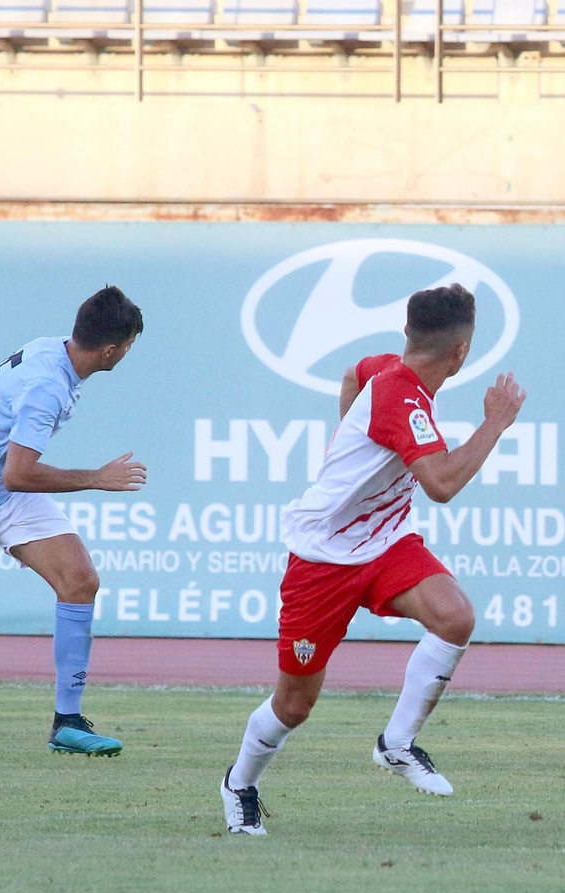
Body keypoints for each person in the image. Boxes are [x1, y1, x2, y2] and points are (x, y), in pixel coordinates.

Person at [220, 283, 526, 836]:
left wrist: (347, 432)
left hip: (385, 542)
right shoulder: (399, 397)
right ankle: (240, 783)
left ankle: (397, 744)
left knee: (454, 617)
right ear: (462, 353)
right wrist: (495, 423)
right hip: (322, 560)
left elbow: (351, 372)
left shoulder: (384, 369)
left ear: (407, 334)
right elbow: (441, 484)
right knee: (294, 706)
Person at [0, 285, 146, 756]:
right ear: (111, 349)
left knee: (80, 581)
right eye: (129, 345)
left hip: (4, 496)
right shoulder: (48, 386)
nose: (127, 353)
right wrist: (96, 478)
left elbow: (11, 476)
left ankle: (68, 723)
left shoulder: (50, 349)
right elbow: (19, 473)